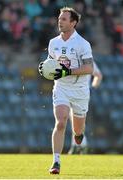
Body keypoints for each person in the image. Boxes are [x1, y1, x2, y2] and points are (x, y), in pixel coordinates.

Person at [39, 7, 94, 174]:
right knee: (61, 122)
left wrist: (68, 71)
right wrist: (45, 68)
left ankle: (79, 135)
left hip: (79, 90)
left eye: (64, 19)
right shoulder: (53, 42)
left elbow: (89, 68)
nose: (60, 21)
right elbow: (52, 63)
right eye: (59, 18)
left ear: (73, 23)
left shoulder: (82, 44)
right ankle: (56, 162)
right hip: (61, 87)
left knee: (78, 131)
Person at [68, 61, 103, 154]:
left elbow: (98, 76)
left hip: (82, 94)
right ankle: (79, 145)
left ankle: (79, 145)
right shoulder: (70, 57)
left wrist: (92, 88)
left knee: (77, 119)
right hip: (69, 92)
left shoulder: (87, 60)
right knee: (74, 119)